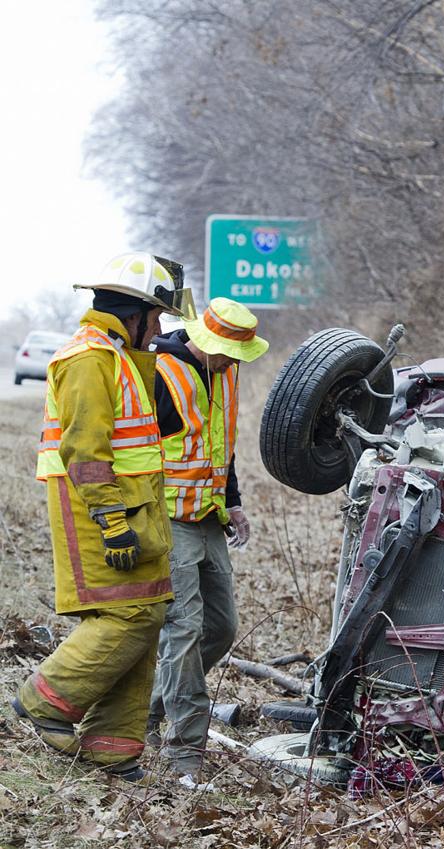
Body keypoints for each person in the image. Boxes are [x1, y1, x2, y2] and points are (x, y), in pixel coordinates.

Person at [12, 253, 194, 783]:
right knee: (127, 615)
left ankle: (113, 746)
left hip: (137, 508)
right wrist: (112, 520)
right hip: (100, 511)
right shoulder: (88, 358)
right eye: (156, 317)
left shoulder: (119, 356)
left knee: (148, 613)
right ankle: (46, 699)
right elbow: (85, 451)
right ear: (132, 313)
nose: (159, 329)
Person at [145, 297, 268, 784]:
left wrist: (233, 501)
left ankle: (146, 710)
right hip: (168, 517)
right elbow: (133, 449)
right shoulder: (162, 373)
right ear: (205, 340)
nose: (234, 362)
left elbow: (220, 447)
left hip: (210, 517)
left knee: (221, 627)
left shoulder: (225, 373)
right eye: (229, 353)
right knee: (184, 630)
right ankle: (185, 753)